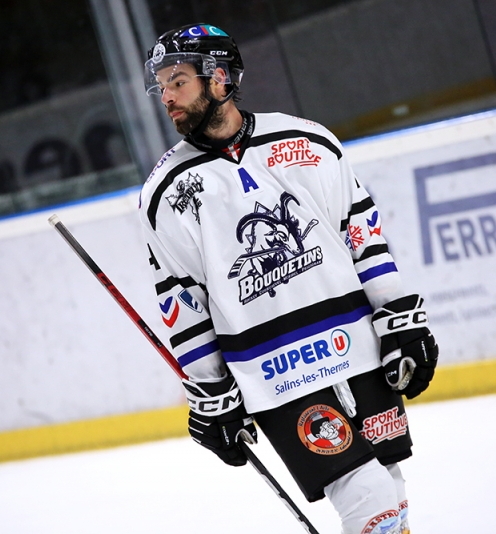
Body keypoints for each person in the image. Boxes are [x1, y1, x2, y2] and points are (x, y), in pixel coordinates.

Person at [138, 23, 439, 534]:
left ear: (219, 78)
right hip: (275, 373)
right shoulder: (167, 191)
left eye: (178, 81)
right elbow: (182, 299)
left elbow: (362, 236)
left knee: (389, 485)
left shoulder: (307, 141)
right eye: (161, 85)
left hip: (360, 348)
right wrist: (211, 394)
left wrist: (400, 319)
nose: (166, 97)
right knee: (366, 495)